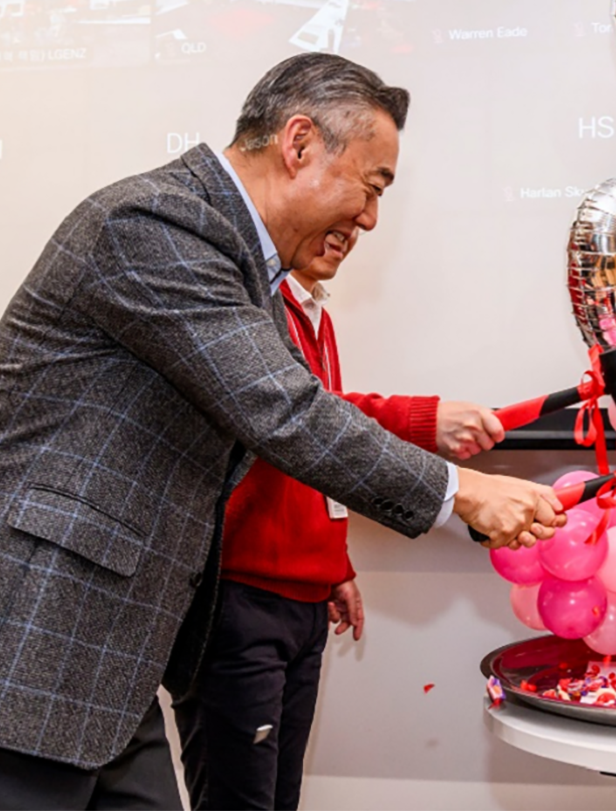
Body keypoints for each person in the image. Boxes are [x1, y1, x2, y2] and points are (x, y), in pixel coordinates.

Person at [0, 53, 563, 810]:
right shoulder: (157, 225)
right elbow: (287, 411)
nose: (371, 218)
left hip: (112, 651)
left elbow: (284, 419)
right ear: (298, 143)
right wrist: (455, 491)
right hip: (28, 633)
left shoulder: (242, 275)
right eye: (371, 187)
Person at [174, 223, 505, 811]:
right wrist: (425, 421)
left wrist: (333, 561)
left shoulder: (314, 314)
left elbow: (313, 456)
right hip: (238, 599)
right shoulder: (248, 304)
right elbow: (309, 418)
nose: (360, 225)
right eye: (354, 197)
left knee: (279, 797)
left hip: (298, 598)